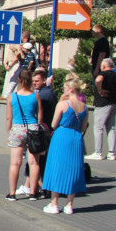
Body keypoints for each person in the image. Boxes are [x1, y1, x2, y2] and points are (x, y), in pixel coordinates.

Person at [41, 75, 89, 214]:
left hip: (61, 136)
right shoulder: (84, 107)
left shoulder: (63, 104)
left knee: (56, 167)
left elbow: (53, 124)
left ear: (71, 90)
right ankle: (69, 204)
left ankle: (54, 203)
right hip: (76, 137)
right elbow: (83, 127)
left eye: (65, 88)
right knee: (74, 169)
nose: (63, 90)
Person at [5, 70, 43, 201]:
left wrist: (8, 132)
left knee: (15, 163)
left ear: (20, 81)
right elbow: (40, 116)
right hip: (32, 128)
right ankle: (33, 192)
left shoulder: (13, 97)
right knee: (33, 163)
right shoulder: (35, 96)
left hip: (17, 129)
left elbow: (9, 118)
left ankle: (12, 193)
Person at [87, 58, 116, 161]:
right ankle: (111, 153)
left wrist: (100, 90)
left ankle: (98, 152)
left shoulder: (103, 74)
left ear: (103, 66)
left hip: (103, 104)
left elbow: (98, 80)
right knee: (111, 128)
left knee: (98, 128)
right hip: (114, 103)